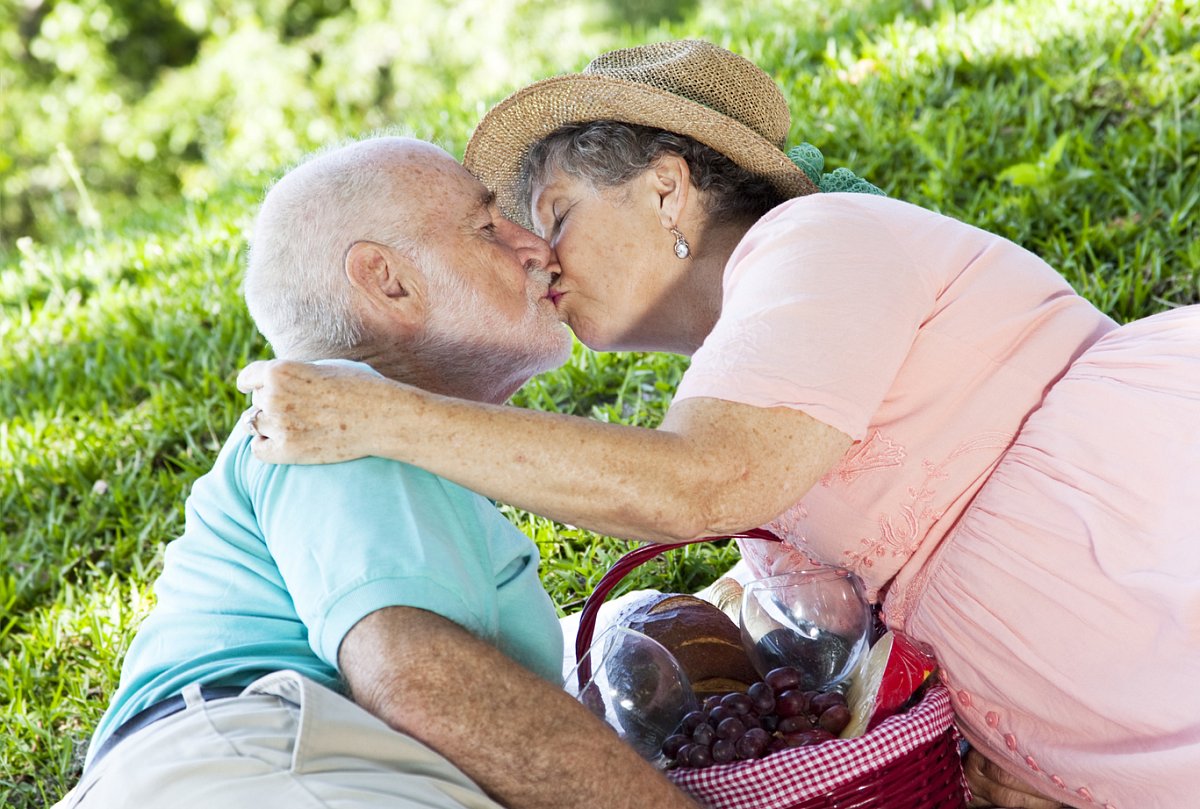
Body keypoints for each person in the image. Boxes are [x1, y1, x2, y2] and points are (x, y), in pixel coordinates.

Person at [236, 41, 1200, 809]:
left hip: (1140, 529)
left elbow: (700, 481)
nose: (538, 254)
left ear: (666, 188)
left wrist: (384, 414)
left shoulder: (813, 241)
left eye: (557, 211)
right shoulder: (745, 356)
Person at [54, 135, 700, 809]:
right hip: (251, 765)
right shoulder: (333, 414)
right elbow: (424, 684)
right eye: (487, 228)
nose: (536, 247)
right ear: (388, 280)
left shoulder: (385, 436)